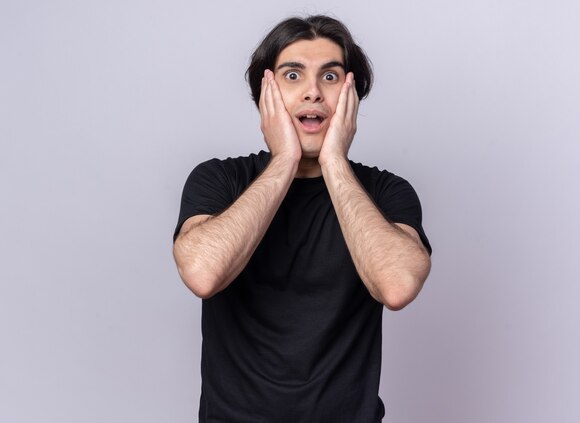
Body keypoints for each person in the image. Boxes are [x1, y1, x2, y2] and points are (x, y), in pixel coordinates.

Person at [173, 14, 432, 423]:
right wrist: (285, 159)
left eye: (330, 78)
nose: (313, 92)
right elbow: (203, 274)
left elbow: (398, 286)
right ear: (266, 91)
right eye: (293, 75)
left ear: (352, 95)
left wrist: (333, 161)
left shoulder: (386, 192)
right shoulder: (219, 179)